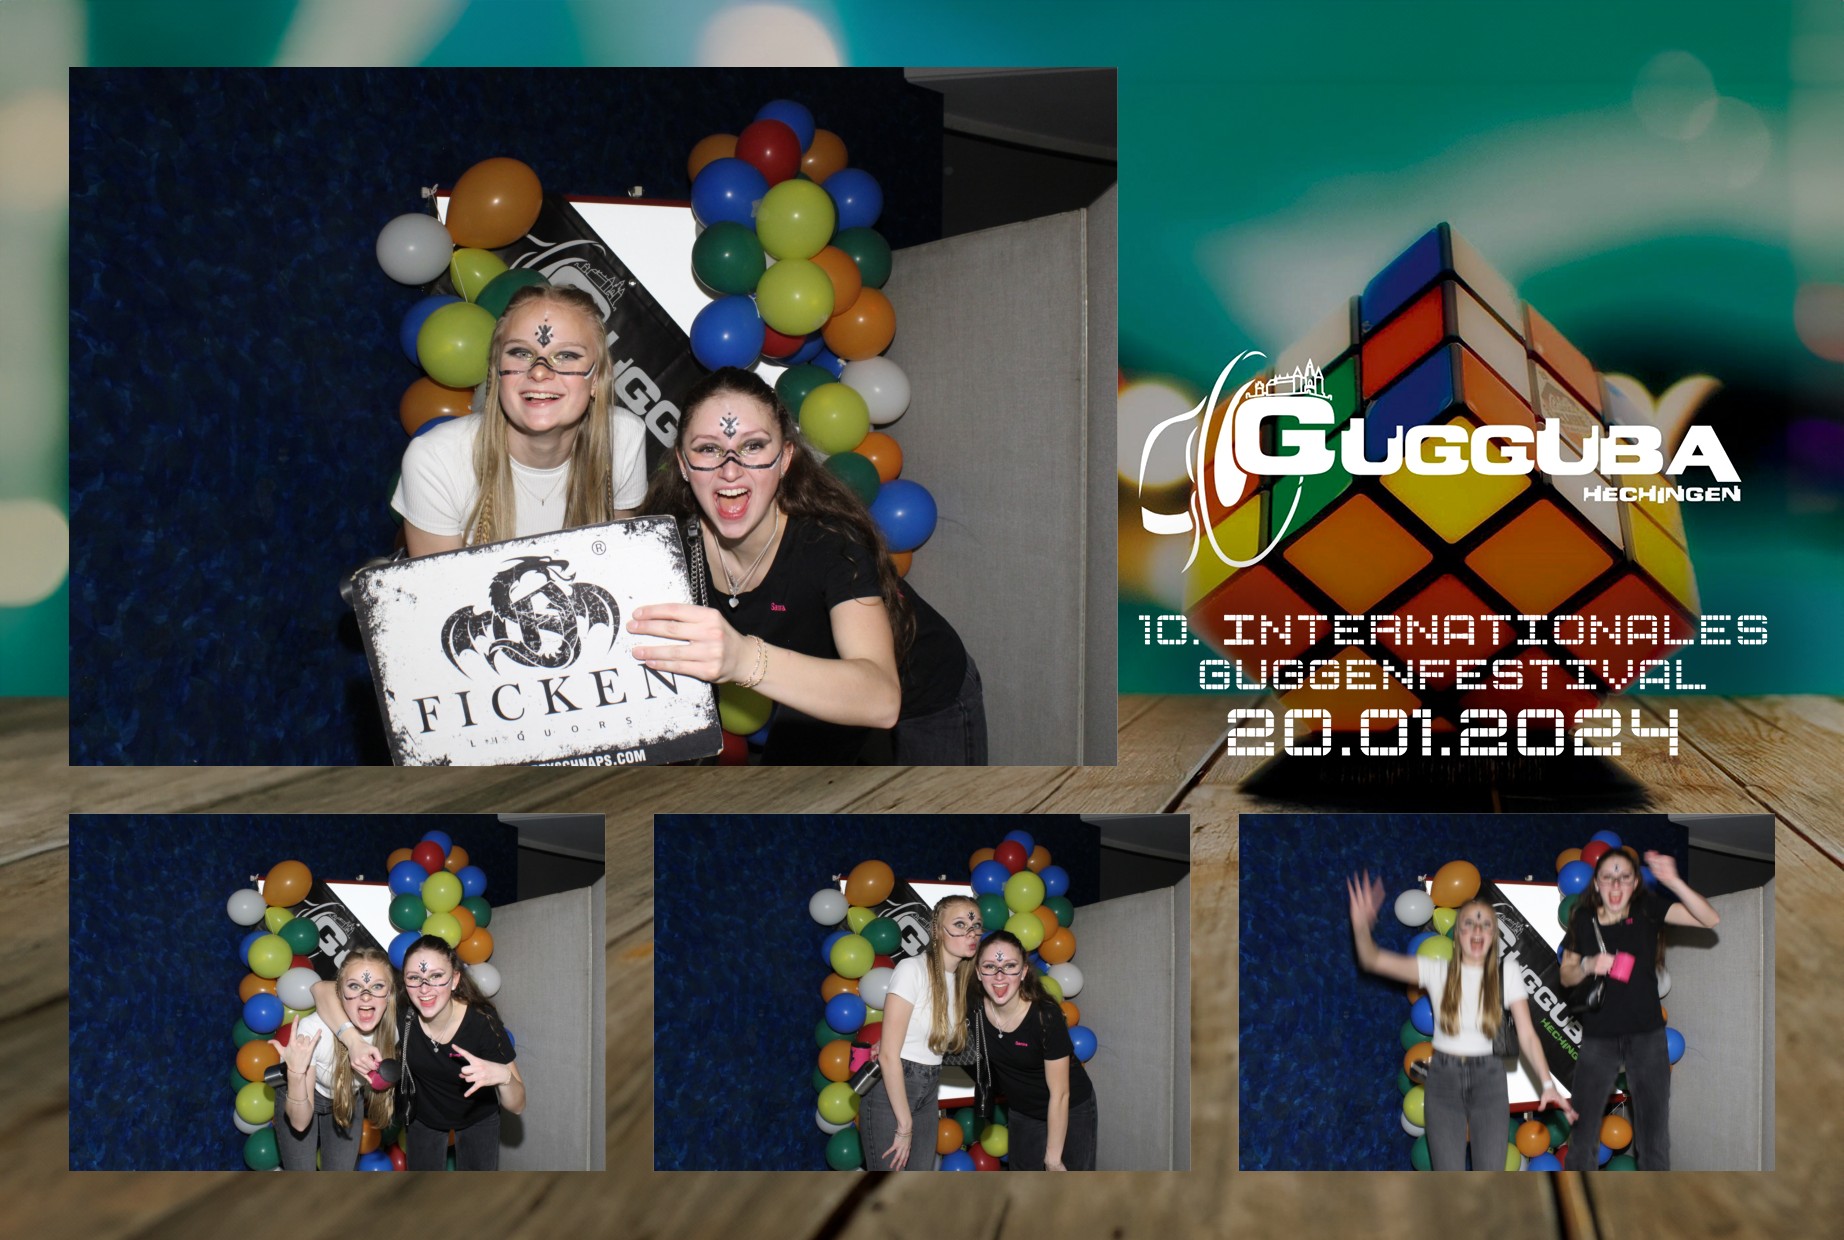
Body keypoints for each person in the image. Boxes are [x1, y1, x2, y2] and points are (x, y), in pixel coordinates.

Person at [630, 366, 984, 765]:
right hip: (814, 687)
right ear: (682, 463)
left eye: (753, 446)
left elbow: (882, 699)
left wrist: (743, 659)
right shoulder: (668, 546)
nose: (730, 470)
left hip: (925, 688)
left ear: (785, 459)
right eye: (709, 449)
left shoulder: (829, 541)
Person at [394, 284, 649, 554]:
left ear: (596, 378)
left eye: (566, 356)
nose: (539, 372)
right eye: (521, 353)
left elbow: (617, 562)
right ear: (496, 371)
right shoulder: (436, 460)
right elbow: (444, 583)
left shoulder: (623, 438)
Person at [1347, 873, 1575, 1171]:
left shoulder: (1508, 974)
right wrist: (1361, 927)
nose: (1477, 931)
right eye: (1469, 924)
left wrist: (1547, 1083)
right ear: (1458, 935)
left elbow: (1528, 1034)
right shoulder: (1437, 971)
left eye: (1485, 925)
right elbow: (1373, 960)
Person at [1559, 848, 1718, 1171]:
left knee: (1653, 1138)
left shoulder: (1647, 908)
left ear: (1634, 884)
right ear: (1597, 884)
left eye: (1624, 877)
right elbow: (1566, 975)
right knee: (1583, 1134)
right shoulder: (1583, 918)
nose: (1616, 885)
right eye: (1608, 877)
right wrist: (1588, 964)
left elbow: (1709, 919)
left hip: (1647, 1037)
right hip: (1600, 1037)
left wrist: (1673, 881)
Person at [859, 895, 983, 1169]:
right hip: (892, 1088)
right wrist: (904, 1126)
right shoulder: (911, 969)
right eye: (960, 924)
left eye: (976, 926)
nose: (971, 933)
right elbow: (889, 1056)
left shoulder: (962, 982)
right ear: (937, 930)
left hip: (929, 1087)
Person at [963, 930, 1098, 1170]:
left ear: (1024, 971)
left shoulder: (1045, 1016)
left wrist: (1053, 1159)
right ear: (978, 972)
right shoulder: (973, 1009)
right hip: (1022, 1110)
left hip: (1069, 1108)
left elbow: (1060, 1094)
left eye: (1010, 966)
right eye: (990, 966)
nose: (1000, 976)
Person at [394, 935, 524, 1169]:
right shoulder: (402, 1014)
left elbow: (518, 1105)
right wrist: (352, 1039)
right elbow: (327, 991)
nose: (424, 989)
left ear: (454, 979)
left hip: (478, 1118)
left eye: (436, 976)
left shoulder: (482, 1021)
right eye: (414, 977)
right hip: (423, 1117)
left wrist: (503, 1076)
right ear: (404, 981)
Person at [272, 947, 398, 1171]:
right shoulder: (313, 1031)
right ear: (339, 993)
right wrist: (296, 1073)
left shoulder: (391, 1034)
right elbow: (300, 1124)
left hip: (347, 1099)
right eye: (354, 986)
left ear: (389, 994)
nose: (366, 996)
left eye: (377, 986)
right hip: (303, 1094)